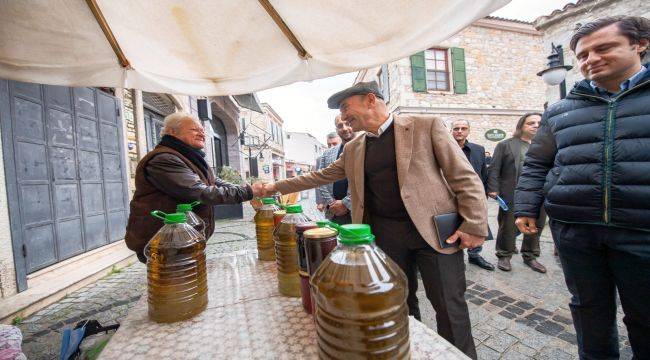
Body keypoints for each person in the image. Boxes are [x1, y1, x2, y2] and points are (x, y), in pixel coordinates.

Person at [260, 81, 487, 359]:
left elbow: (463, 176)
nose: (343, 117)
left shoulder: (424, 125)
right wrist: (274, 187)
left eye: (346, 108)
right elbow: (320, 176)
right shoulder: (354, 146)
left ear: (370, 100)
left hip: (435, 234)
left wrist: (474, 225)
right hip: (386, 237)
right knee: (398, 303)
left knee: (450, 308)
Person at [515, 16, 650, 359]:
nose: (591, 59)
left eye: (603, 48)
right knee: (588, 309)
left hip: (641, 230)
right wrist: (527, 206)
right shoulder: (559, 110)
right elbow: (537, 163)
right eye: (583, 54)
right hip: (576, 232)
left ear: (639, 45)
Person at [125, 112, 262, 263]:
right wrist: (248, 192)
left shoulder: (188, 156)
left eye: (202, 130)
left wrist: (244, 188)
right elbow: (199, 191)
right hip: (165, 242)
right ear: (172, 132)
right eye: (194, 129)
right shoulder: (164, 159)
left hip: (182, 240)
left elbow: (213, 181)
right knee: (177, 284)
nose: (201, 133)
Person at [487, 113, 547, 273]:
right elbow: (494, 168)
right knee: (508, 225)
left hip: (539, 193)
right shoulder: (506, 145)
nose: (535, 125)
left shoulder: (546, 146)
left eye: (539, 123)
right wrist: (493, 188)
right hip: (512, 192)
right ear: (521, 126)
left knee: (537, 224)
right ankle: (504, 254)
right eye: (530, 123)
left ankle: (530, 255)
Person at [450, 119, 495, 271]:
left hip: (474, 194)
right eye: (456, 128)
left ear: (468, 131)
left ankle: (474, 255)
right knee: (454, 224)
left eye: (463, 128)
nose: (460, 131)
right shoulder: (446, 147)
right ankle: (454, 256)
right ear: (451, 131)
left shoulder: (478, 149)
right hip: (451, 194)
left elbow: (483, 171)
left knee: (476, 224)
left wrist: (486, 191)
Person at [315, 116, 354, 224]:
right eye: (340, 125)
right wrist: (331, 203)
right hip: (335, 212)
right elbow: (320, 179)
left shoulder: (365, 147)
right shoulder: (327, 153)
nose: (344, 128)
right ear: (336, 129)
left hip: (358, 211)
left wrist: (346, 203)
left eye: (348, 123)